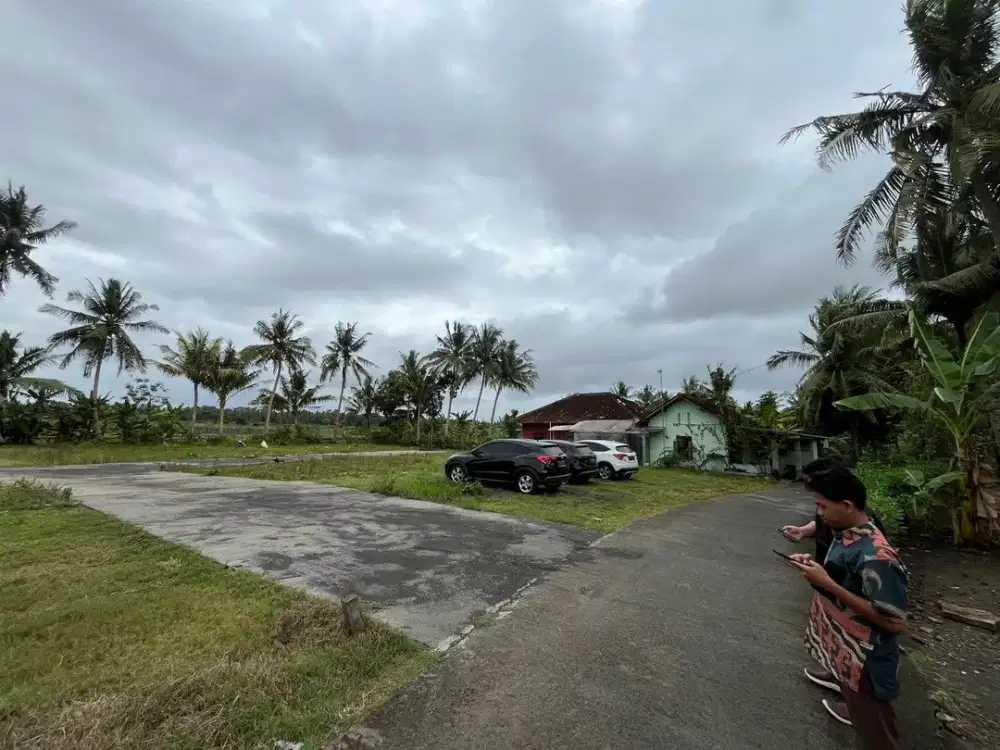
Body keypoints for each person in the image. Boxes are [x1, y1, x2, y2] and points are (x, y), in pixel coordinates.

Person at [789, 466, 909, 749]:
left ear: (847, 505)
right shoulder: (846, 534)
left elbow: (895, 622)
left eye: (822, 506)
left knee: (876, 734)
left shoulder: (877, 555)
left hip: (866, 662)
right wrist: (815, 569)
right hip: (848, 655)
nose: (818, 514)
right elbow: (845, 579)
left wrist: (829, 585)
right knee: (864, 726)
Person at [783, 456, 886, 563]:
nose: (808, 486)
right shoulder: (835, 511)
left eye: (810, 481)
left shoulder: (875, 553)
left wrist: (823, 579)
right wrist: (805, 530)